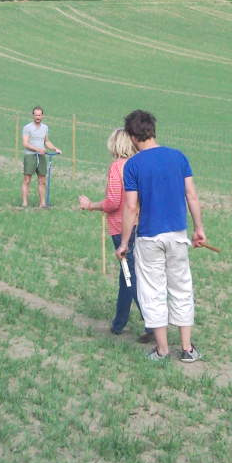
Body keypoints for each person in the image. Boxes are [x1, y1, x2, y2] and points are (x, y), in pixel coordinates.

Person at [116, 109, 208, 362]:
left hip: (149, 238)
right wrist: (199, 228)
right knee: (181, 288)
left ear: (132, 136)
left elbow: (131, 207)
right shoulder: (178, 157)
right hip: (178, 234)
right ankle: (187, 349)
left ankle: (163, 350)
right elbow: (192, 195)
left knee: (152, 291)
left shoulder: (133, 165)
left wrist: (124, 242)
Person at [78, 129, 149, 339]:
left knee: (131, 277)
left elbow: (113, 202)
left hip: (122, 230)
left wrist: (90, 205)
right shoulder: (140, 165)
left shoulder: (117, 167)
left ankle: (153, 323)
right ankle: (119, 323)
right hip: (141, 227)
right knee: (126, 276)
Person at [21, 106, 61, 208]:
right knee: (27, 180)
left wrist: (55, 149)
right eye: (36, 115)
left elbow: (46, 141)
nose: (38, 117)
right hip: (30, 156)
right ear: (33, 115)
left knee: (42, 180)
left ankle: (42, 204)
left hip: (41, 156)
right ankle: (24, 203)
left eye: (39, 115)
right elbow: (25, 143)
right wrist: (38, 149)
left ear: (42, 116)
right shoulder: (27, 127)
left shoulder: (45, 128)